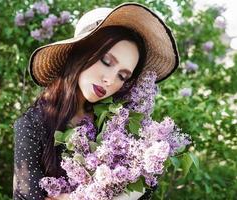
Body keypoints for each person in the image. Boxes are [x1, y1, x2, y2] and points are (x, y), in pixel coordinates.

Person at [13, 2, 179, 200]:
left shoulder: (121, 125)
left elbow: (145, 188)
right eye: (107, 61)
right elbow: (26, 196)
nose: (110, 80)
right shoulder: (33, 124)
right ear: (81, 52)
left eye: (123, 76)